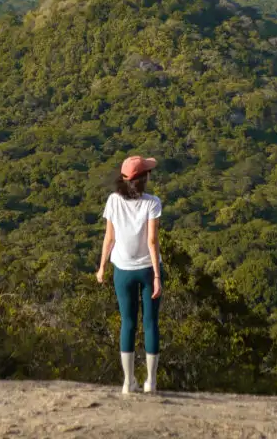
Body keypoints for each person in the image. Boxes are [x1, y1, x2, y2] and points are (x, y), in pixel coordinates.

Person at [96, 155, 163, 395]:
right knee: (151, 324)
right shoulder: (152, 203)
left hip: (122, 270)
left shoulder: (113, 201)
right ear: (144, 179)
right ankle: (151, 383)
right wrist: (157, 276)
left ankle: (128, 382)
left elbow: (110, 237)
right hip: (147, 269)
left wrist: (102, 266)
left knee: (128, 323)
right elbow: (152, 241)